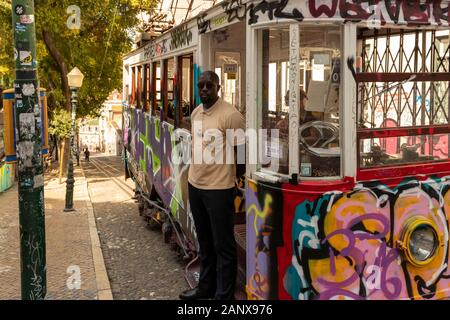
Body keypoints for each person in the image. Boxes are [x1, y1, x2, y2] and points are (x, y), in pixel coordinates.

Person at [179, 71, 245, 300]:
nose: (204, 89)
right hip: (196, 185)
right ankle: (205, 288)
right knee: (205, 243)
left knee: (223, 245)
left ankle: (223, 296)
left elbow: (243, 151)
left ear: (218, 88)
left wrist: (234, 179)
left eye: (209, 85)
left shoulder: (230, 115)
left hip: (219, 189)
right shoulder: (196, 113)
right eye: (201, 85)